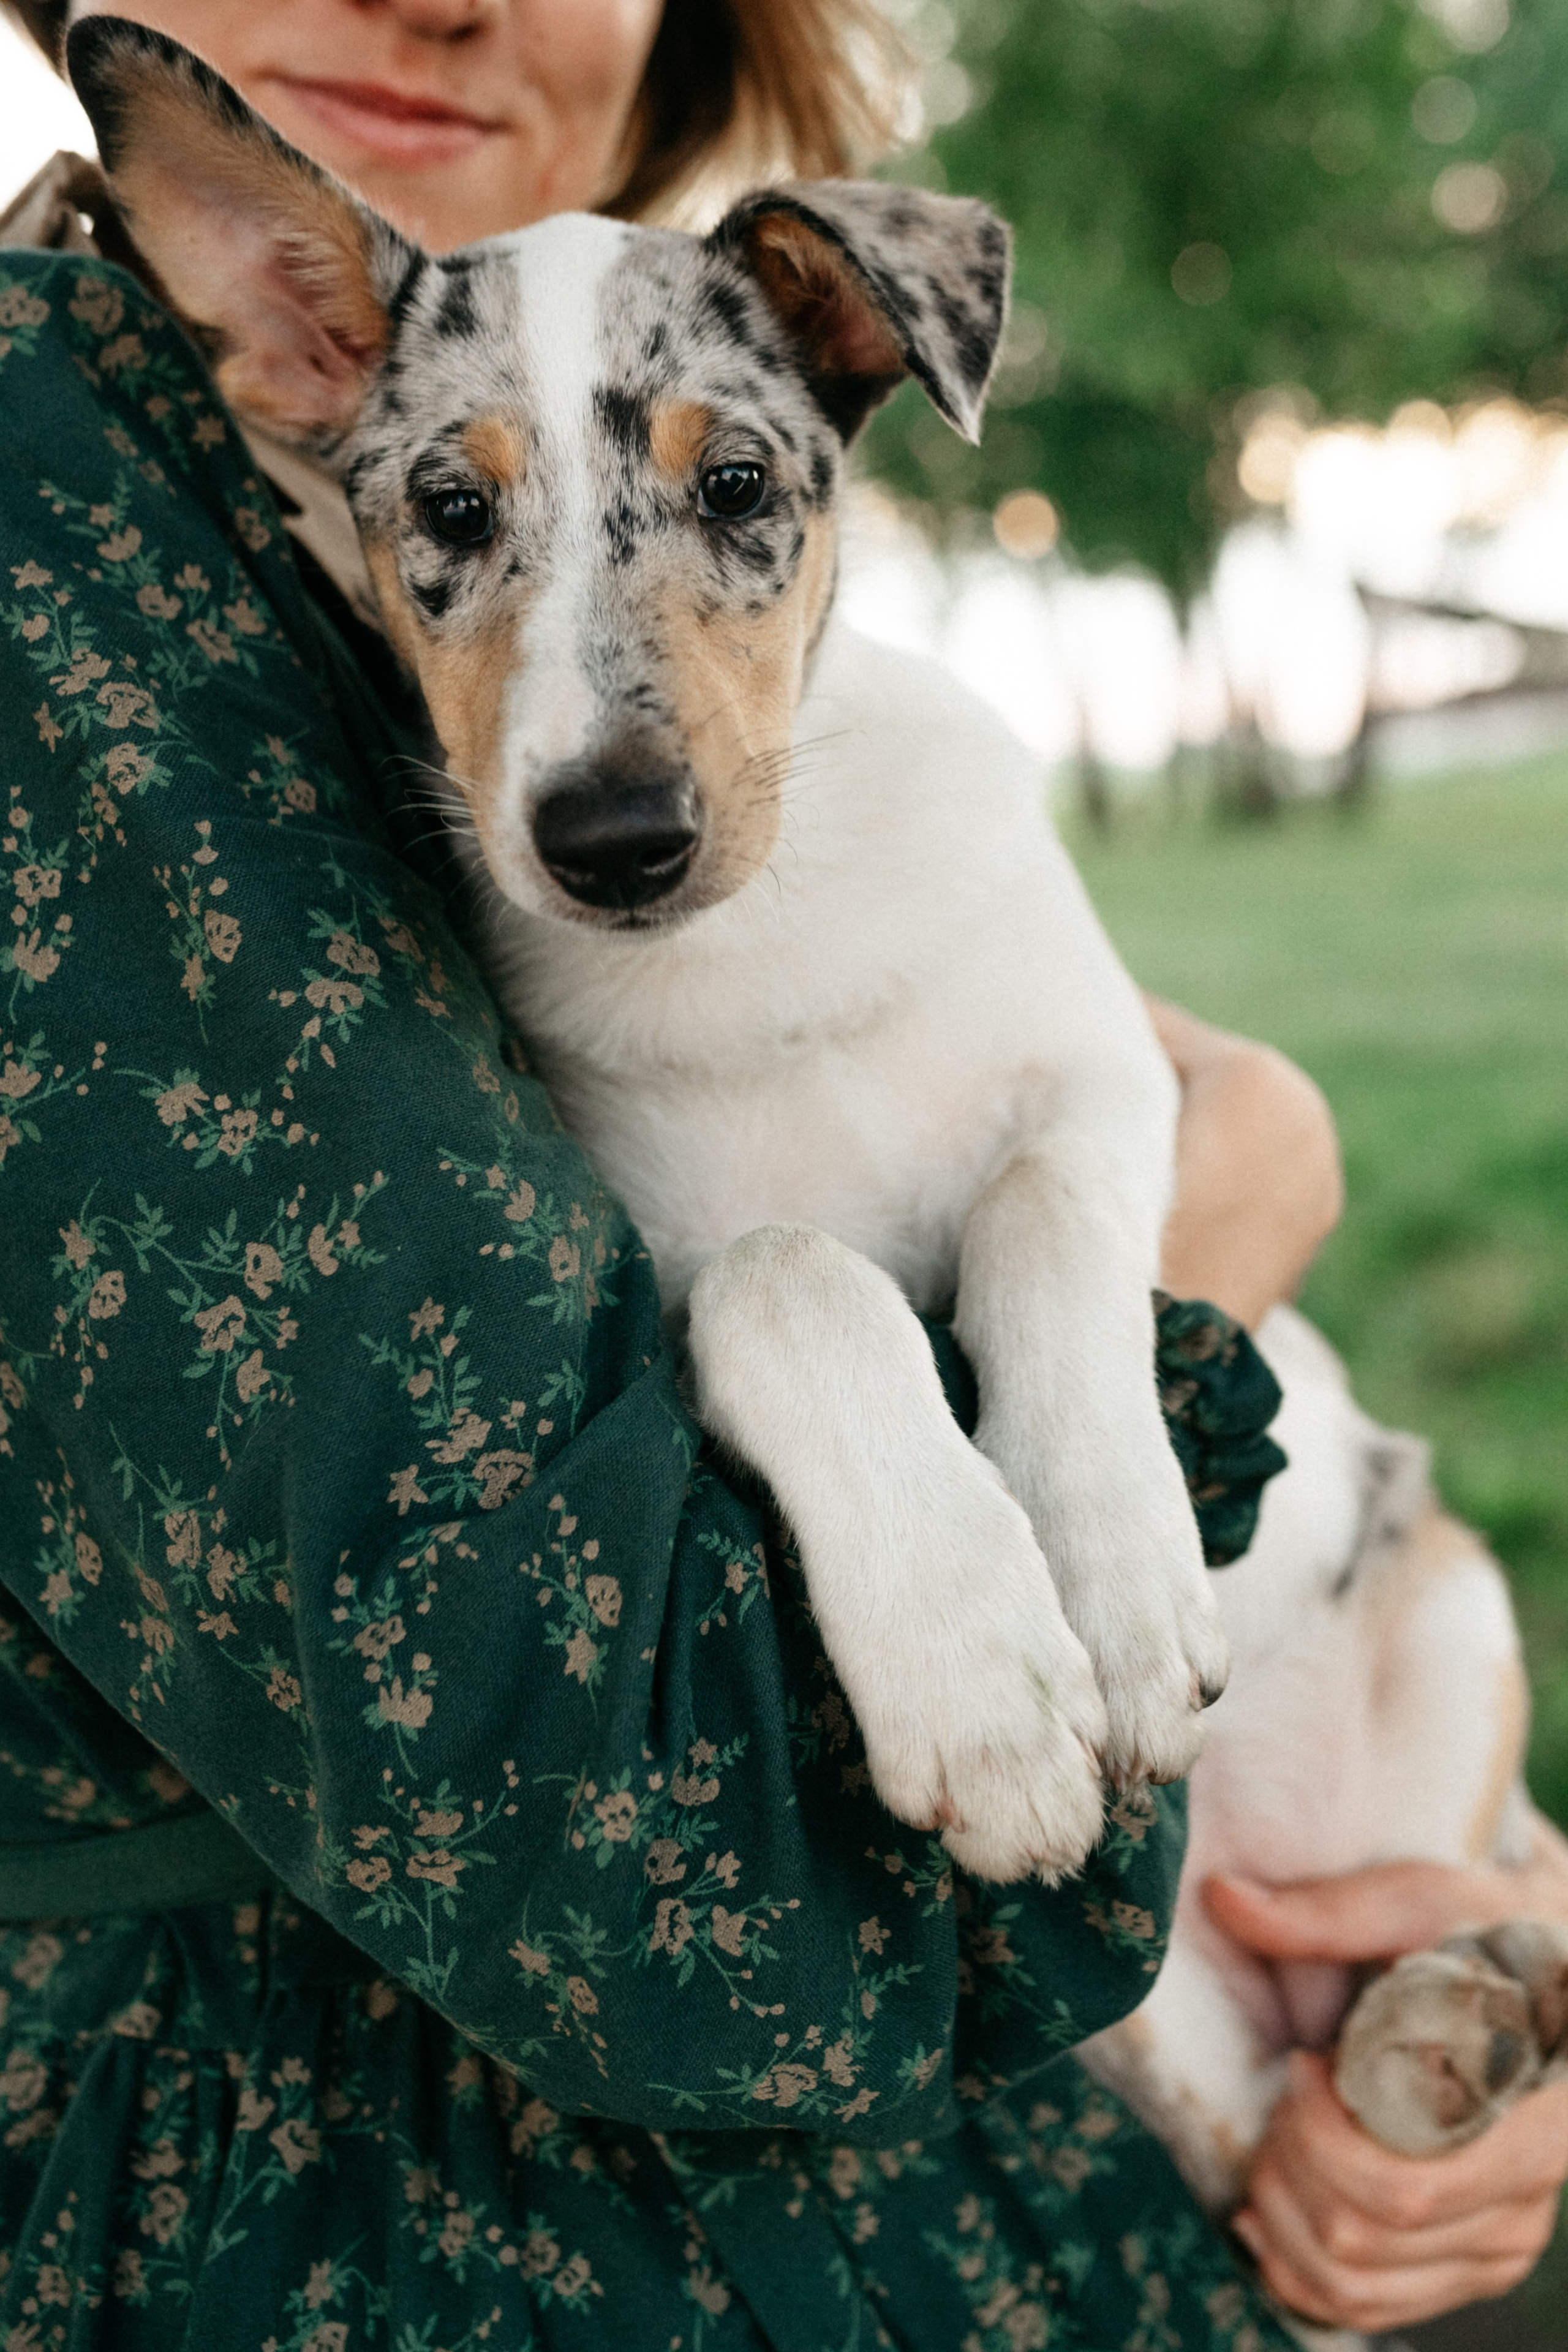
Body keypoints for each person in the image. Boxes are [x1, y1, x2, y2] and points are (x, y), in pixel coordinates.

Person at [0, 1, 1563, 2343]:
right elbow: (642, 1729)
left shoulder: (903, 771)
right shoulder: (87, 543)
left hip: (1264, 1763)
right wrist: (1232, 1211)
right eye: (461, 518)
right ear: (287, 348)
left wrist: (1498, 1883)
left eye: (733, 492)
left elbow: (1095, 1108)